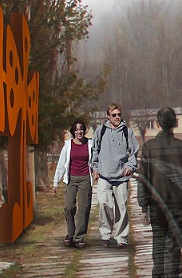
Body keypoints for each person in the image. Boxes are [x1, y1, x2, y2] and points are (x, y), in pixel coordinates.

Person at [137, 107, 182, 278]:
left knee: (158, 243)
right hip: (178, 205)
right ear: (174, 123)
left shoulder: (148, 148)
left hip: (156, 205)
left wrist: (143, 205)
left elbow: (143, 179)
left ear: (157, 123)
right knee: (173, 247)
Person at [91, 104, 140, 248]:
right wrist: (94, 168)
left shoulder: (127, 132)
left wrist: (130, 166)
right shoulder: (101, 131)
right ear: (108, 116)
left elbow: (134, 151)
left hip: (121, 176)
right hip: (104, 175)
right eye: (114, 115)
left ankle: (121, 237)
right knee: (104, 205)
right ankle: (106, 235)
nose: (117, 117)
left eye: (119, 114)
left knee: (122, 207)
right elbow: (94, 151)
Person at [51, 120, 93, 248]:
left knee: (84, 208)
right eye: (76, 130)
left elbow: (96, 160)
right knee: (69, 207)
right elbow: (61, 164)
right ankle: (70, 234)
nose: (79, 132)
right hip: (71, 179)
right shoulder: (68, 145)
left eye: (81, 129)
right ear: (73, 132)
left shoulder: (90, 144)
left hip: (85, 178)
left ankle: (79, 237)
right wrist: (56, 182)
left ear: (84, 131)